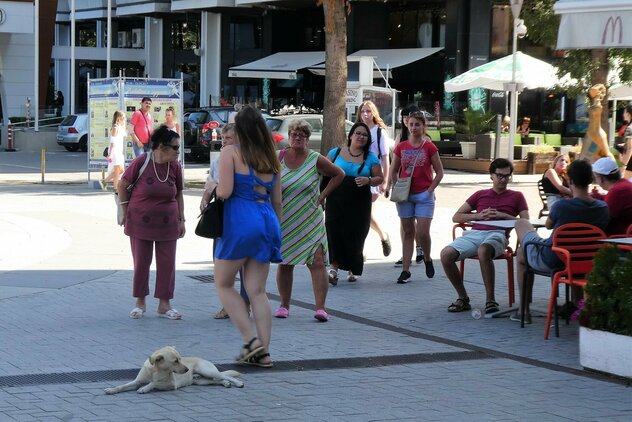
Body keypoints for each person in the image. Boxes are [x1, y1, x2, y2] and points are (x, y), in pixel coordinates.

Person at [213, 105, 282, 368]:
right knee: (257, 291)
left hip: (241, 220)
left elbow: (226, 191)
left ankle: (251, 342)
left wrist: (213, 187)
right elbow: (277, 201)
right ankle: (265, 352)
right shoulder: (271, 156)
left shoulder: (231, 152)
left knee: (223, 284)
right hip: (267, 221)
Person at [514, 159, 608, 323]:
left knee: (521, 234)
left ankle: (523, 311)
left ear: (570, 181)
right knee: (573, 249)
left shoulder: (561, 206)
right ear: (591, 180)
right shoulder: (602, 208)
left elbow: (549, 225)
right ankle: (577, 306)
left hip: (554, 259)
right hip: (585, 260)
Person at [274, 120, 344, 322]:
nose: (297, 138)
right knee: (285, 262)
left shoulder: (315, 159)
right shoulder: (279, 157)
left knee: (317, 261)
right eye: (294, 134)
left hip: (310, 218)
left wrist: (323, 195)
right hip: (285, 218)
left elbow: (339, 174)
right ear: (289, 136)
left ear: (307, 138)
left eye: (302, 135)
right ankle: (284, 305)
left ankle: (320, 308)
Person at [440, 158, 529, 315]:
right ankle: (463, 297)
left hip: (498, 234)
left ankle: (490, 299)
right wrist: (478, 216)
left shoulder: (517, 196)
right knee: (446, 254)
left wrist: (504, 216)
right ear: (491, 175)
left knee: (483, 250)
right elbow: (457, 216)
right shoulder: (480, 194)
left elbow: (526, 222)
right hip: (474, 233)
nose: (503, 180)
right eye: (499, 175)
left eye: (507, 176)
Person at [117, 125, 185, 320]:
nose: (177, 152)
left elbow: (179, 193)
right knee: (141, 262)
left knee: (167, 263)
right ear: (161, 147)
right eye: (175, 148)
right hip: (140, 221)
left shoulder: (175, 167)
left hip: (168, 222)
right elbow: (123, 183)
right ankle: (140, 302)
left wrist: (182, 220)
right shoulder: (142, 161)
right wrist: (124, 209)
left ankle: (165, 305)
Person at [200, 123, 250, 320]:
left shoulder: (247, 161)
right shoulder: (218, 160)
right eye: (223, 138)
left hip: (240, 216)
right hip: (221, 215)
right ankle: (227, 305)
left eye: (229, 139)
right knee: (220, 262)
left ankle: (245, 304)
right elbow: (210, 183)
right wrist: (204, 199)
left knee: (245, 264)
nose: (224, 142)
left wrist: (216, 188)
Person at [389, 111, 444, 283]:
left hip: (424, 195)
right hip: (405, 195)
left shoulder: (429, 147)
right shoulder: (402, 146)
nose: (413, 128)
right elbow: (394, 169)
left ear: (423, 126)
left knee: (422, 232)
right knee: (408, 232)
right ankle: (406, 270)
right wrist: (396, 186)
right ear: (407, 125)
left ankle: (427, 258)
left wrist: (430, 190)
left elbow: (440, 172)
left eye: (417, 125)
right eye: (411, 124)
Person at [326, 122, 384, 284]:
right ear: (350, 135)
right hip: (336, 199)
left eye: (364, 135)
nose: (361, 137)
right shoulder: (335, 153)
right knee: (333, 230)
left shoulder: (371, 158)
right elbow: (322, 170)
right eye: (358, 133)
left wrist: (369, 180)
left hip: (359, 201)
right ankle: (333, 269)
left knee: (356, 234)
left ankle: (353, 267)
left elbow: (380, 178)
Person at [357, 101, 392, 257]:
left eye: (368, 111)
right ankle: (381, 237)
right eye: (363, 111)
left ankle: (378, 239)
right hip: (359, 174)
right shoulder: (358, 130)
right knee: (362, 213)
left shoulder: (379, 132)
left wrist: (385, 180)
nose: (365, 114)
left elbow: (385, 157)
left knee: (365, 213)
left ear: (374, 113)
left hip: (374, 176)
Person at [393, 104, 425, 266]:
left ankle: (420, 248)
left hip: (421, 188)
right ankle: (405, 254)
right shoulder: (401, 138)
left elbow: (431, 167)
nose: (408, 121)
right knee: (405, 222)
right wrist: (394, 185)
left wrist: (431, 188)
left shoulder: (425, 140)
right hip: (404, 186)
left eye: (410, 118)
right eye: (405, 118)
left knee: (419, 220)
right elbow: (394, 165)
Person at [591, 157, 632, 236]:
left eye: (595, 177)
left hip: (619, 239)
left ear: (601, 178)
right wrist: (600, 197)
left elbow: (602, 218)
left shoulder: (617, 191)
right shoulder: (624, 184)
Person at [103, 110, 127, 193]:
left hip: (119, 151)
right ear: (118, 118)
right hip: (114, 151)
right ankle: (116, 188)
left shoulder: (120, 127)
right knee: (117, 169)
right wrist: (110, 154)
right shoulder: (115, 127)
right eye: (123, 117)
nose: (124, 119)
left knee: (121, 170)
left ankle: (105, 181)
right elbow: (113, 141)